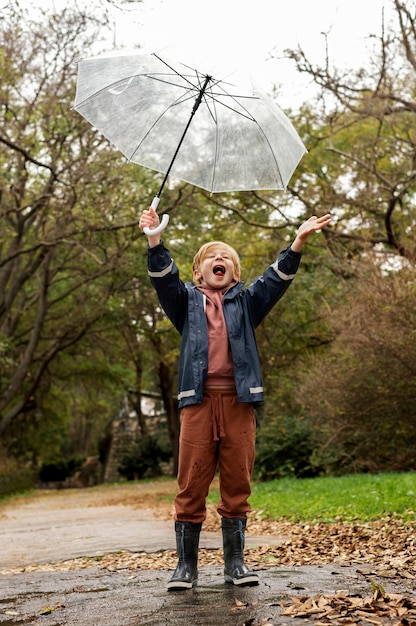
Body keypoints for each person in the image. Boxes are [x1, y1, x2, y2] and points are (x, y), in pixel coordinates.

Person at [139, 206, 331, 591]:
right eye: (212, 256)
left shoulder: (246, 302)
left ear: (236, 273)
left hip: (239, 403)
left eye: (226, 256)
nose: (219, 259)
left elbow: (276, 280)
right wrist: (154, 238)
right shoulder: (186, 301)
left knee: (237, 482)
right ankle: (185, 568)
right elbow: (163, 280)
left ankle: (236, 564)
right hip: (198, 403)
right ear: (198, 272)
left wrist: (297, 243)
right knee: (191, 483)